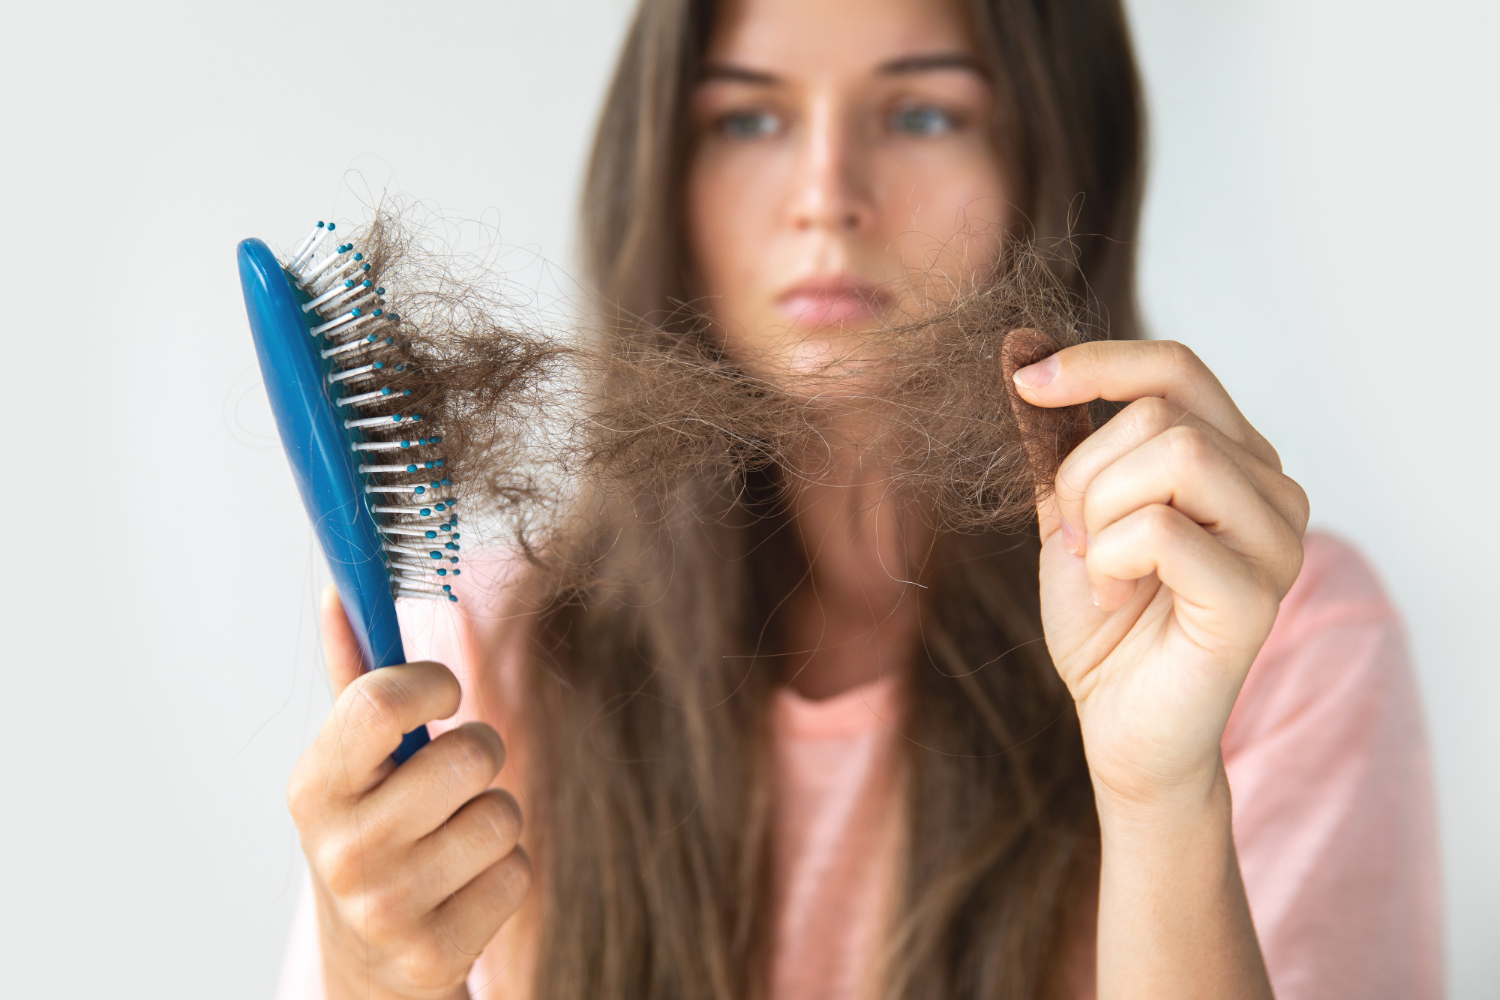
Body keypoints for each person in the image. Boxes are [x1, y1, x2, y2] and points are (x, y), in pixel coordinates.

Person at [277, 0, 1442, 997]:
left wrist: (1163, 800)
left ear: (1059, 160)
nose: (827, 194)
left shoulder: (1258, 634)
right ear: (664, 176)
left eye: (923, 112)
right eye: (748, 118)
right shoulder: (483, 659)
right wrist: (368, 970)